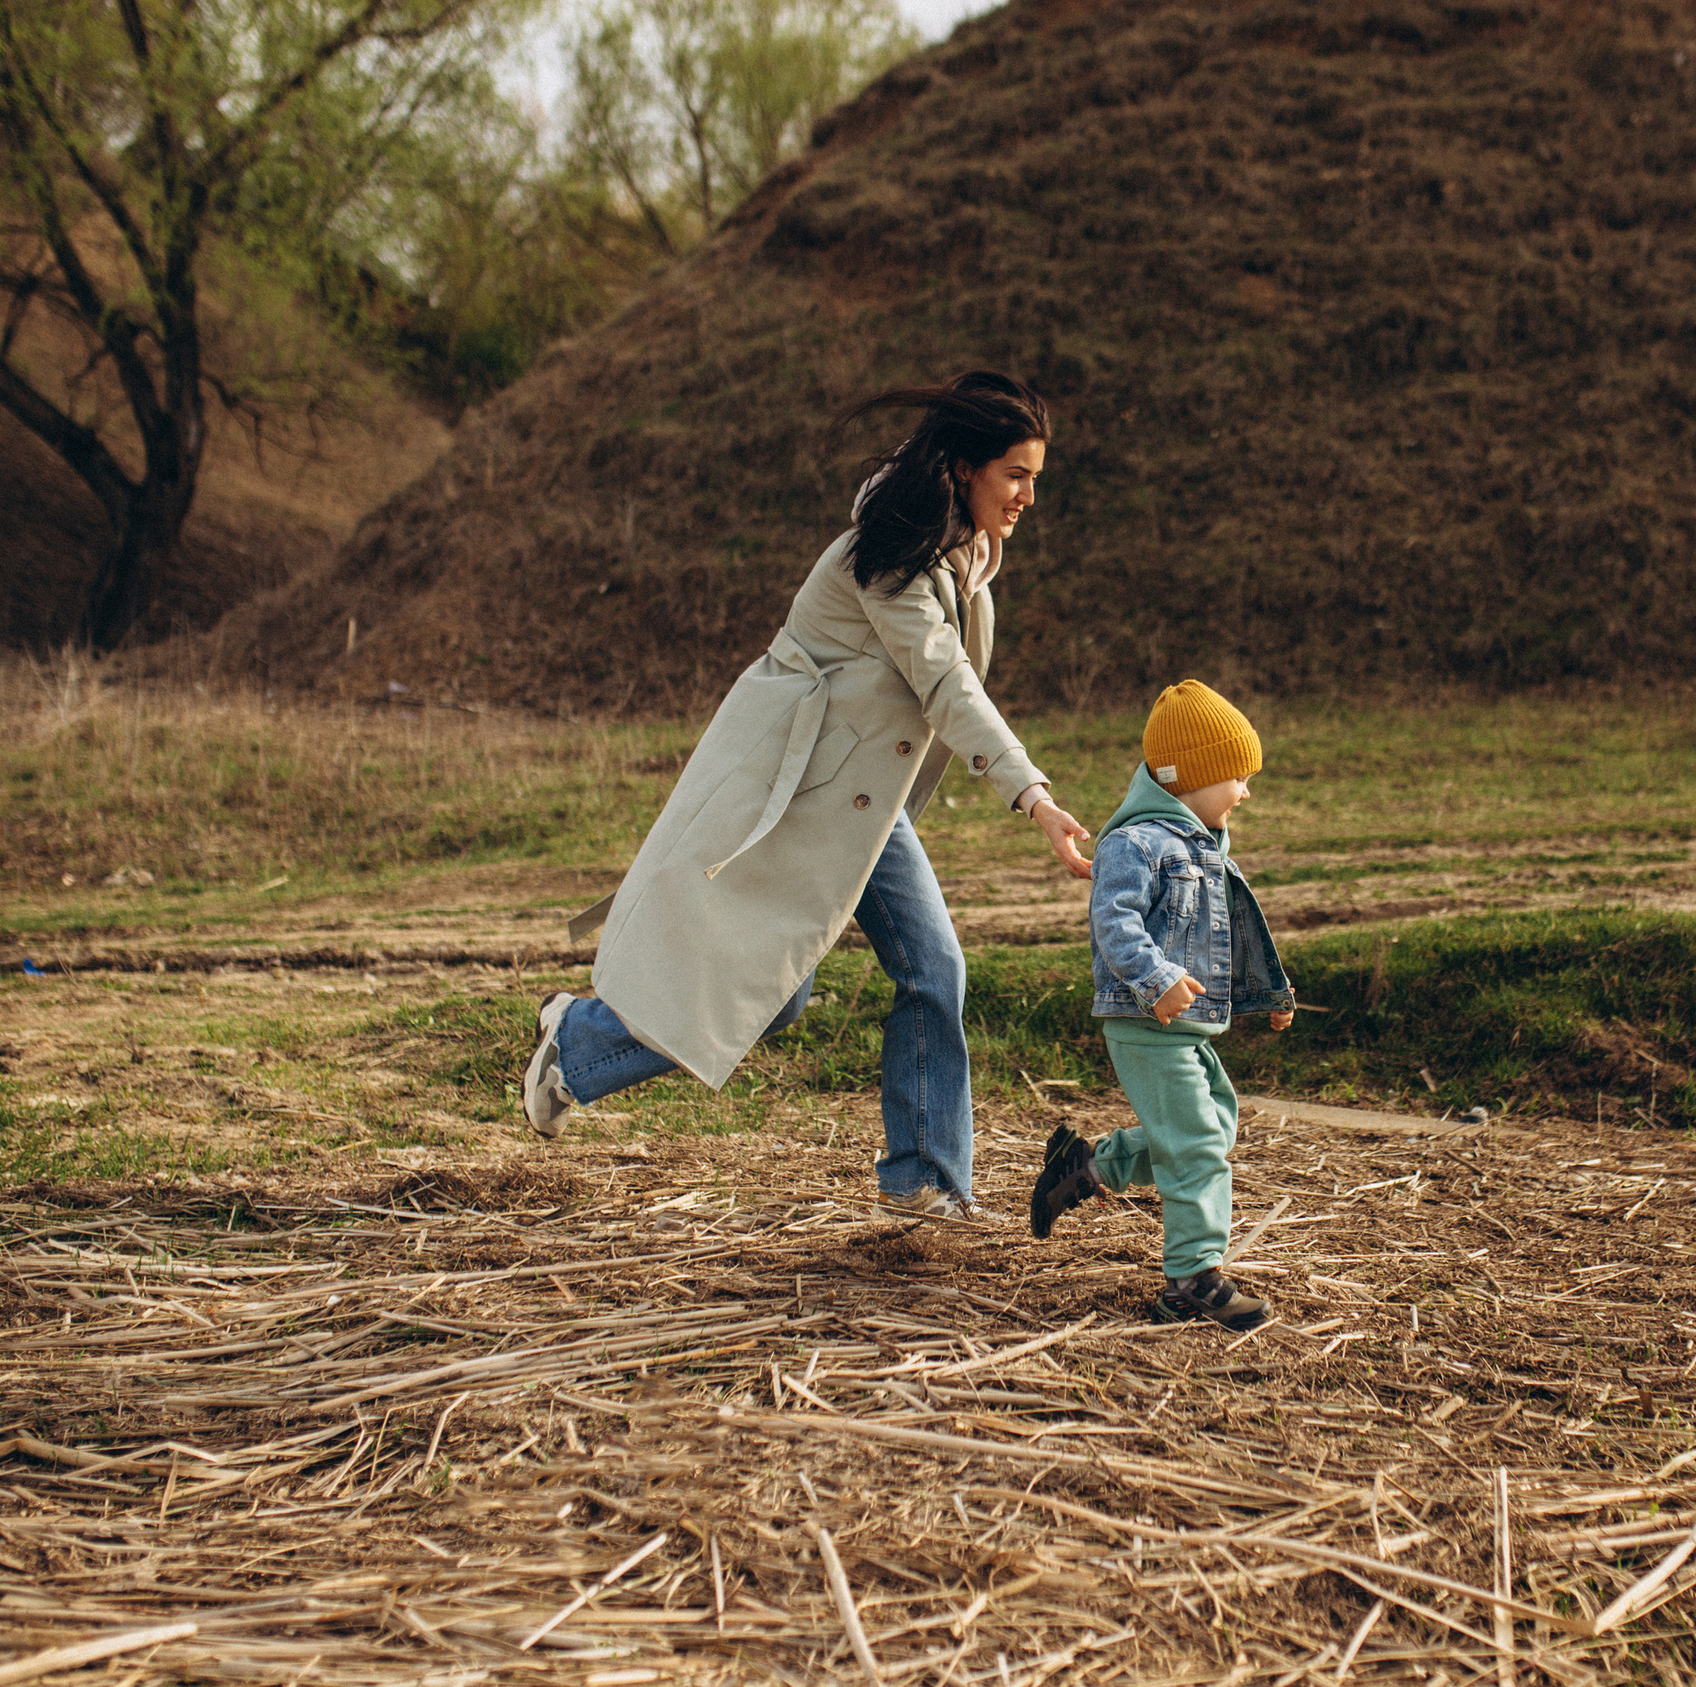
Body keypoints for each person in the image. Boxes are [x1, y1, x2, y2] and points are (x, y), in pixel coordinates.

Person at [521, 371, 1096, 1221]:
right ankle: (575, 1044)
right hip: (798, 790)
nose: (1028, 496)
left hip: (864, 799)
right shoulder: (893, 555)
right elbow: (946, 684)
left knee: (932, 968)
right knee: (774, 994)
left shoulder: (962, 549)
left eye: (1035, 477)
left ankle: (924, 1180)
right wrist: (1032, 796)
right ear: (967, 467)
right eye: (1017, 474)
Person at [1028, 681, 1295, 1328]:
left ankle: (1086, 1166)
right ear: (1187, 779)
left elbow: (1228, 928)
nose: (1245, 791)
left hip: (1184, 1024)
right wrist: (1155, 978)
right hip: (1144, 1021)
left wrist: (1270, 995)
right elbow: (1113, 923)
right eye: (1235, 776)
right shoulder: (1137, 843)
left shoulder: (1201, 843)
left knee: (1214, 1124)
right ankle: (1190, 1282)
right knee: (1198, 1141)